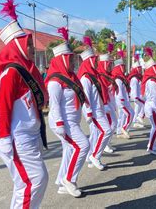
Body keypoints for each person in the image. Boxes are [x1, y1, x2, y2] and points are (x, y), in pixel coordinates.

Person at [0, 0, 48, 208]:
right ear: (18, 46)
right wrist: (5, 137)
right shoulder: (11, 73)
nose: (33, 48)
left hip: (29, 136)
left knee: (26, 184)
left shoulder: (28, 70)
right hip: (16, 137)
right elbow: (4, 108)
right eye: (29, 44)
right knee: (35, 181)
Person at [46, 28, 89, 197]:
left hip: (72, 120)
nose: (73, 62)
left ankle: (62, 182)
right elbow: (54, 106)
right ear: (62, 59)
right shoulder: (55, 81)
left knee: (70, 150)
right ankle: (69, 179)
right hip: (63, 121)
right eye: (70, 59)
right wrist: (59, 125)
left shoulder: (71, 77)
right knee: (83, 146)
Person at [78, 36, 112, 170]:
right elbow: (85, 97)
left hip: (99, 109)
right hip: (94, 112)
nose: (96, 61)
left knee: (101, 133)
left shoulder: (93, 75)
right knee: (106, 131)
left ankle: (93, 156)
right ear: (88, 61)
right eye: (93, 59)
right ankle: (95, 156)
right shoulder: (85, 78)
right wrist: (89, 114)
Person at [142, 47, 156, 155]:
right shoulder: (152, 81)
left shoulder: (153, 79)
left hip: (153, 106)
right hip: (153, 107)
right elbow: (155, 97)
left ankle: (153, 145)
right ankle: (151, 147)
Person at [97, 42, 118, 154]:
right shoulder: (100, 76)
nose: (110, 66)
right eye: (108, 64)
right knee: (110, 125)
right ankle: (104, 145)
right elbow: (102, 92)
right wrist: (105, 104)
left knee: (114, 124)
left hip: (110, 103)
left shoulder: (109, 76)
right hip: (104, 105)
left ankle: (107, 143)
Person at [112, 50, 134, 139]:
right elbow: (119, 92)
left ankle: (119, 132)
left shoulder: (122, 77)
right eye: (123, 66)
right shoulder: (118, 79)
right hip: (121, 101)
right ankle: (123, 129)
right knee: (130, 114)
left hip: (125, 100)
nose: (124, 68)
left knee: (122, 116)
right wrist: (121, 102)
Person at [128, 53, 145, 128]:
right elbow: (133, 89)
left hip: (138, 95)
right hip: (135, 96)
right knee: (144, 104)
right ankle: (139, 117)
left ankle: (135, 121)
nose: (140, 70)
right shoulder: (134, 78)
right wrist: (136, 98)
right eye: (139, 68)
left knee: (137, 108)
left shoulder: (137, 77)